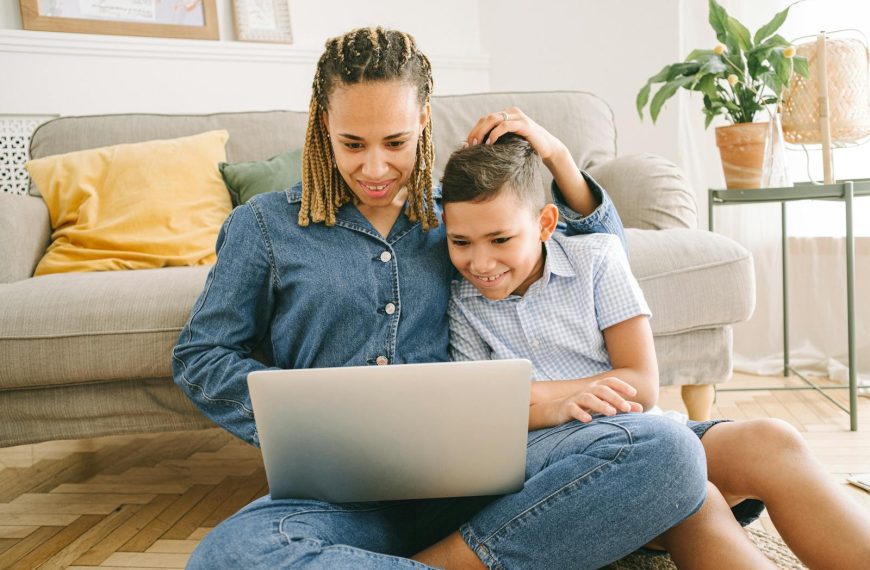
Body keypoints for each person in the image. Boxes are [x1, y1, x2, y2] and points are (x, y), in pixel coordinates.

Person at [172, 26, 709, 569]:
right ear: (323, 124)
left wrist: (557, 157)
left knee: (667, 453)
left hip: (493, 467)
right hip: (344, 494)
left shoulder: (459, 218)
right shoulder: (264, 227)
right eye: (353, 143)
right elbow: (200, 356)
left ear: (424, 120)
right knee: (228, 557)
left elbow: (599, 256)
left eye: (396, 142)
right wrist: (300, 419)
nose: (375, 168)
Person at [440, 132, 870, 570]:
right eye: (461, 242)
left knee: (772, 440)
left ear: (546, 223)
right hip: (562, 468)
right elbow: (487, 412)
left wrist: (538, 394)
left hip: (648, 432)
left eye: (499, 240)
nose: (481, 263)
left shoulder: (597, 259)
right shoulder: (458, 299)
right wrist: (556, 406)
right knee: (689, 493)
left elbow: (642, 384)